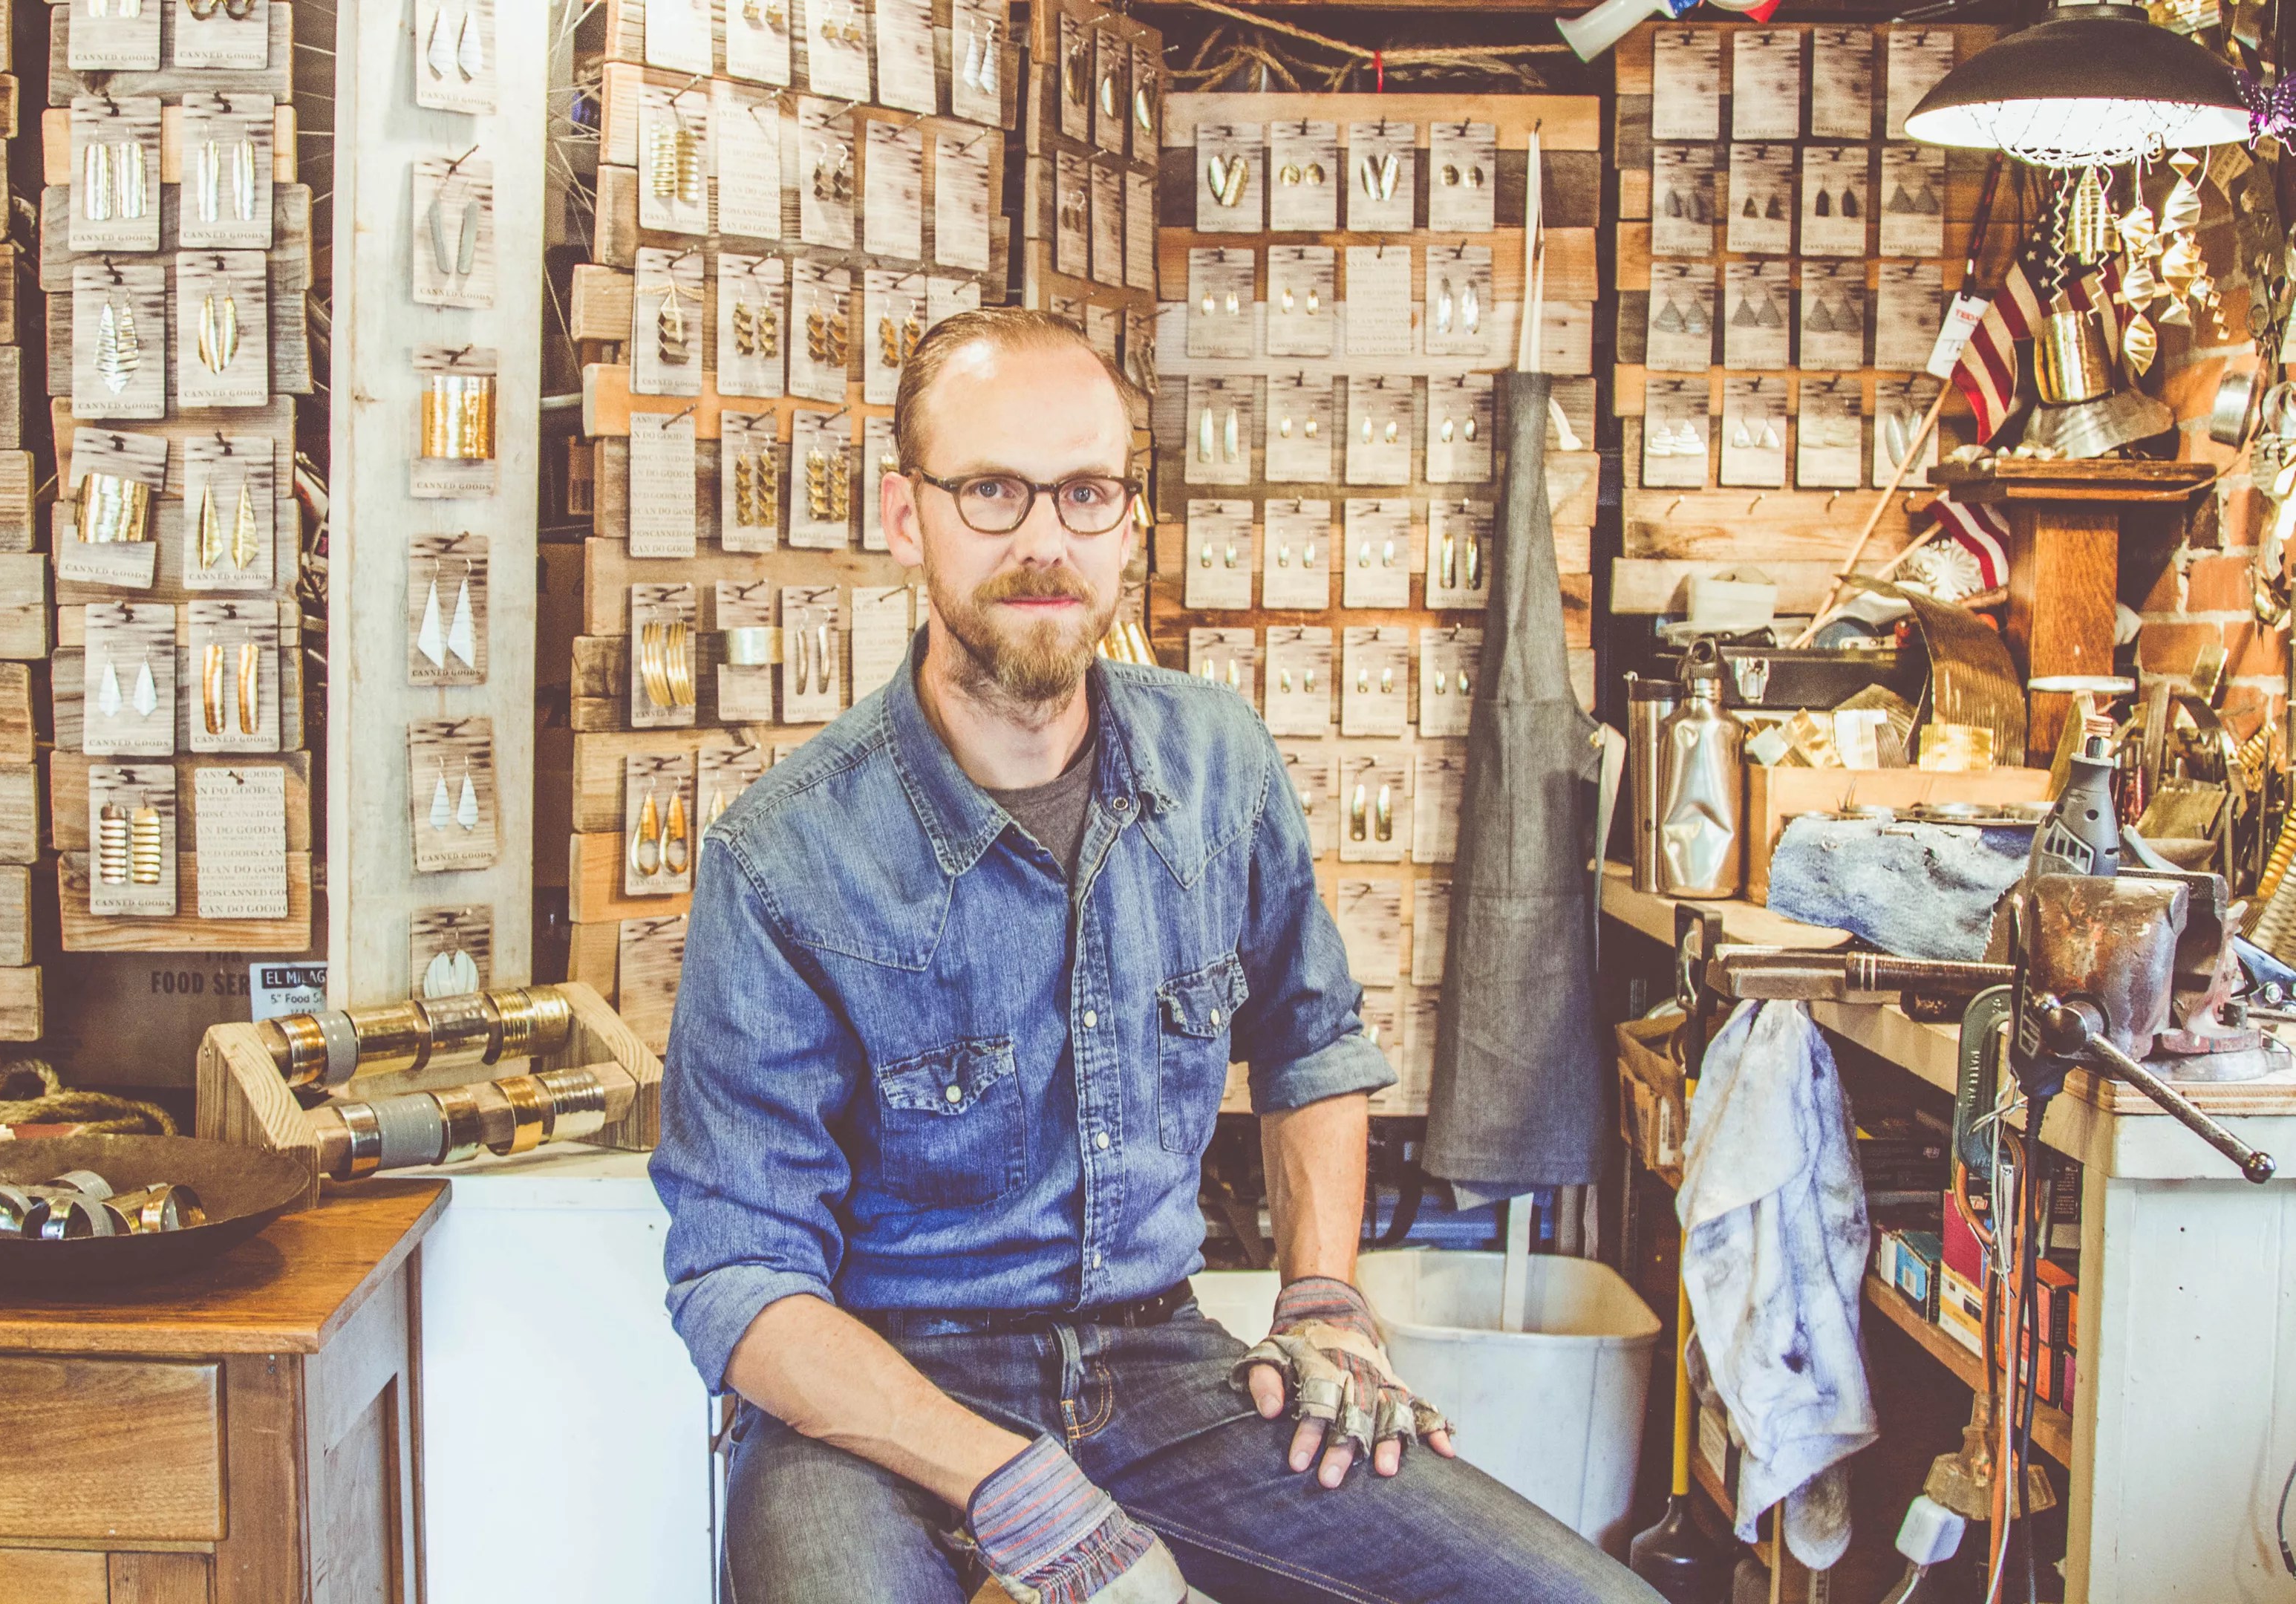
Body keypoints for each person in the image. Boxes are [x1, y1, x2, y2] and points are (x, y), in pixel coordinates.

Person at [652, 307, 1656, 1604]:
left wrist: (1323, 1301)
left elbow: (1311, 1043)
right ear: (907, 517)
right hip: (877, 1400)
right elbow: (739, 1280)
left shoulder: (1217, 762)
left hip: (1160, 1372)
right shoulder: (783, 857)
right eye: (993, 491)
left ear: (1130, 522)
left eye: (1085, 492)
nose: (1044, 541)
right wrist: (1012, 1487)